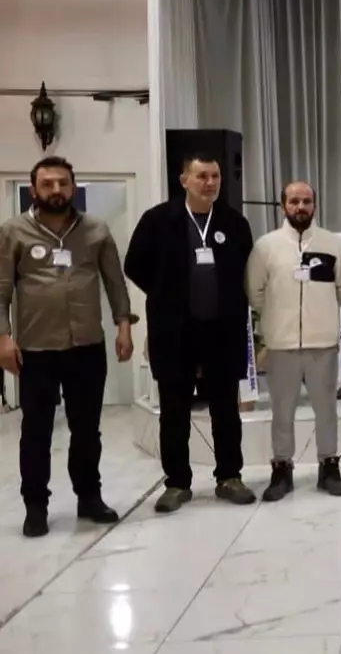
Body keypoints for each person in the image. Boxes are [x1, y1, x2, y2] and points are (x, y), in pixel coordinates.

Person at [0, 157, 134, 537]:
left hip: (87, 346)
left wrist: (124, 326)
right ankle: (35, 507)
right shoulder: (13, 231)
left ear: (73, 187)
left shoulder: (96, 230)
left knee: (87, 430)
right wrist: (3, 337)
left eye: (62, 183)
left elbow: (115, 282)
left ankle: (89, 497)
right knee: (36, 432)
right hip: (36, 349)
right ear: (33, 188)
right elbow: (1, 290)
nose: (56, 190)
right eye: (47, 184)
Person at [124, 151, 257, 513]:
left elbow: (247, 270)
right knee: (174, 411)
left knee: (225, 410)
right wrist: (164, 294)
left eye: (215, 176)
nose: (210, 183)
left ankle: (229, 476)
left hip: (221, 333)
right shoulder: (158, 220)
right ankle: (177, 483)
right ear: (184, 179)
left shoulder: (234, 222)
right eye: (202, 176)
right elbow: (134, 264)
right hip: (175, 333)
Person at [246, 181, 341, 501]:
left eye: (306, 201)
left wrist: (319, 314)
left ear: (315, 206)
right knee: (282, 411)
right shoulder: (266, 247)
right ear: (283, 206)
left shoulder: (332, 245)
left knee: (326, 410)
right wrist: (278, 319)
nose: (301, 207)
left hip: (323, 344)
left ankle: (329, 466)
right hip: (281, 345)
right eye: (294, 201)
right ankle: (281, 469)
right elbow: (255, 292)